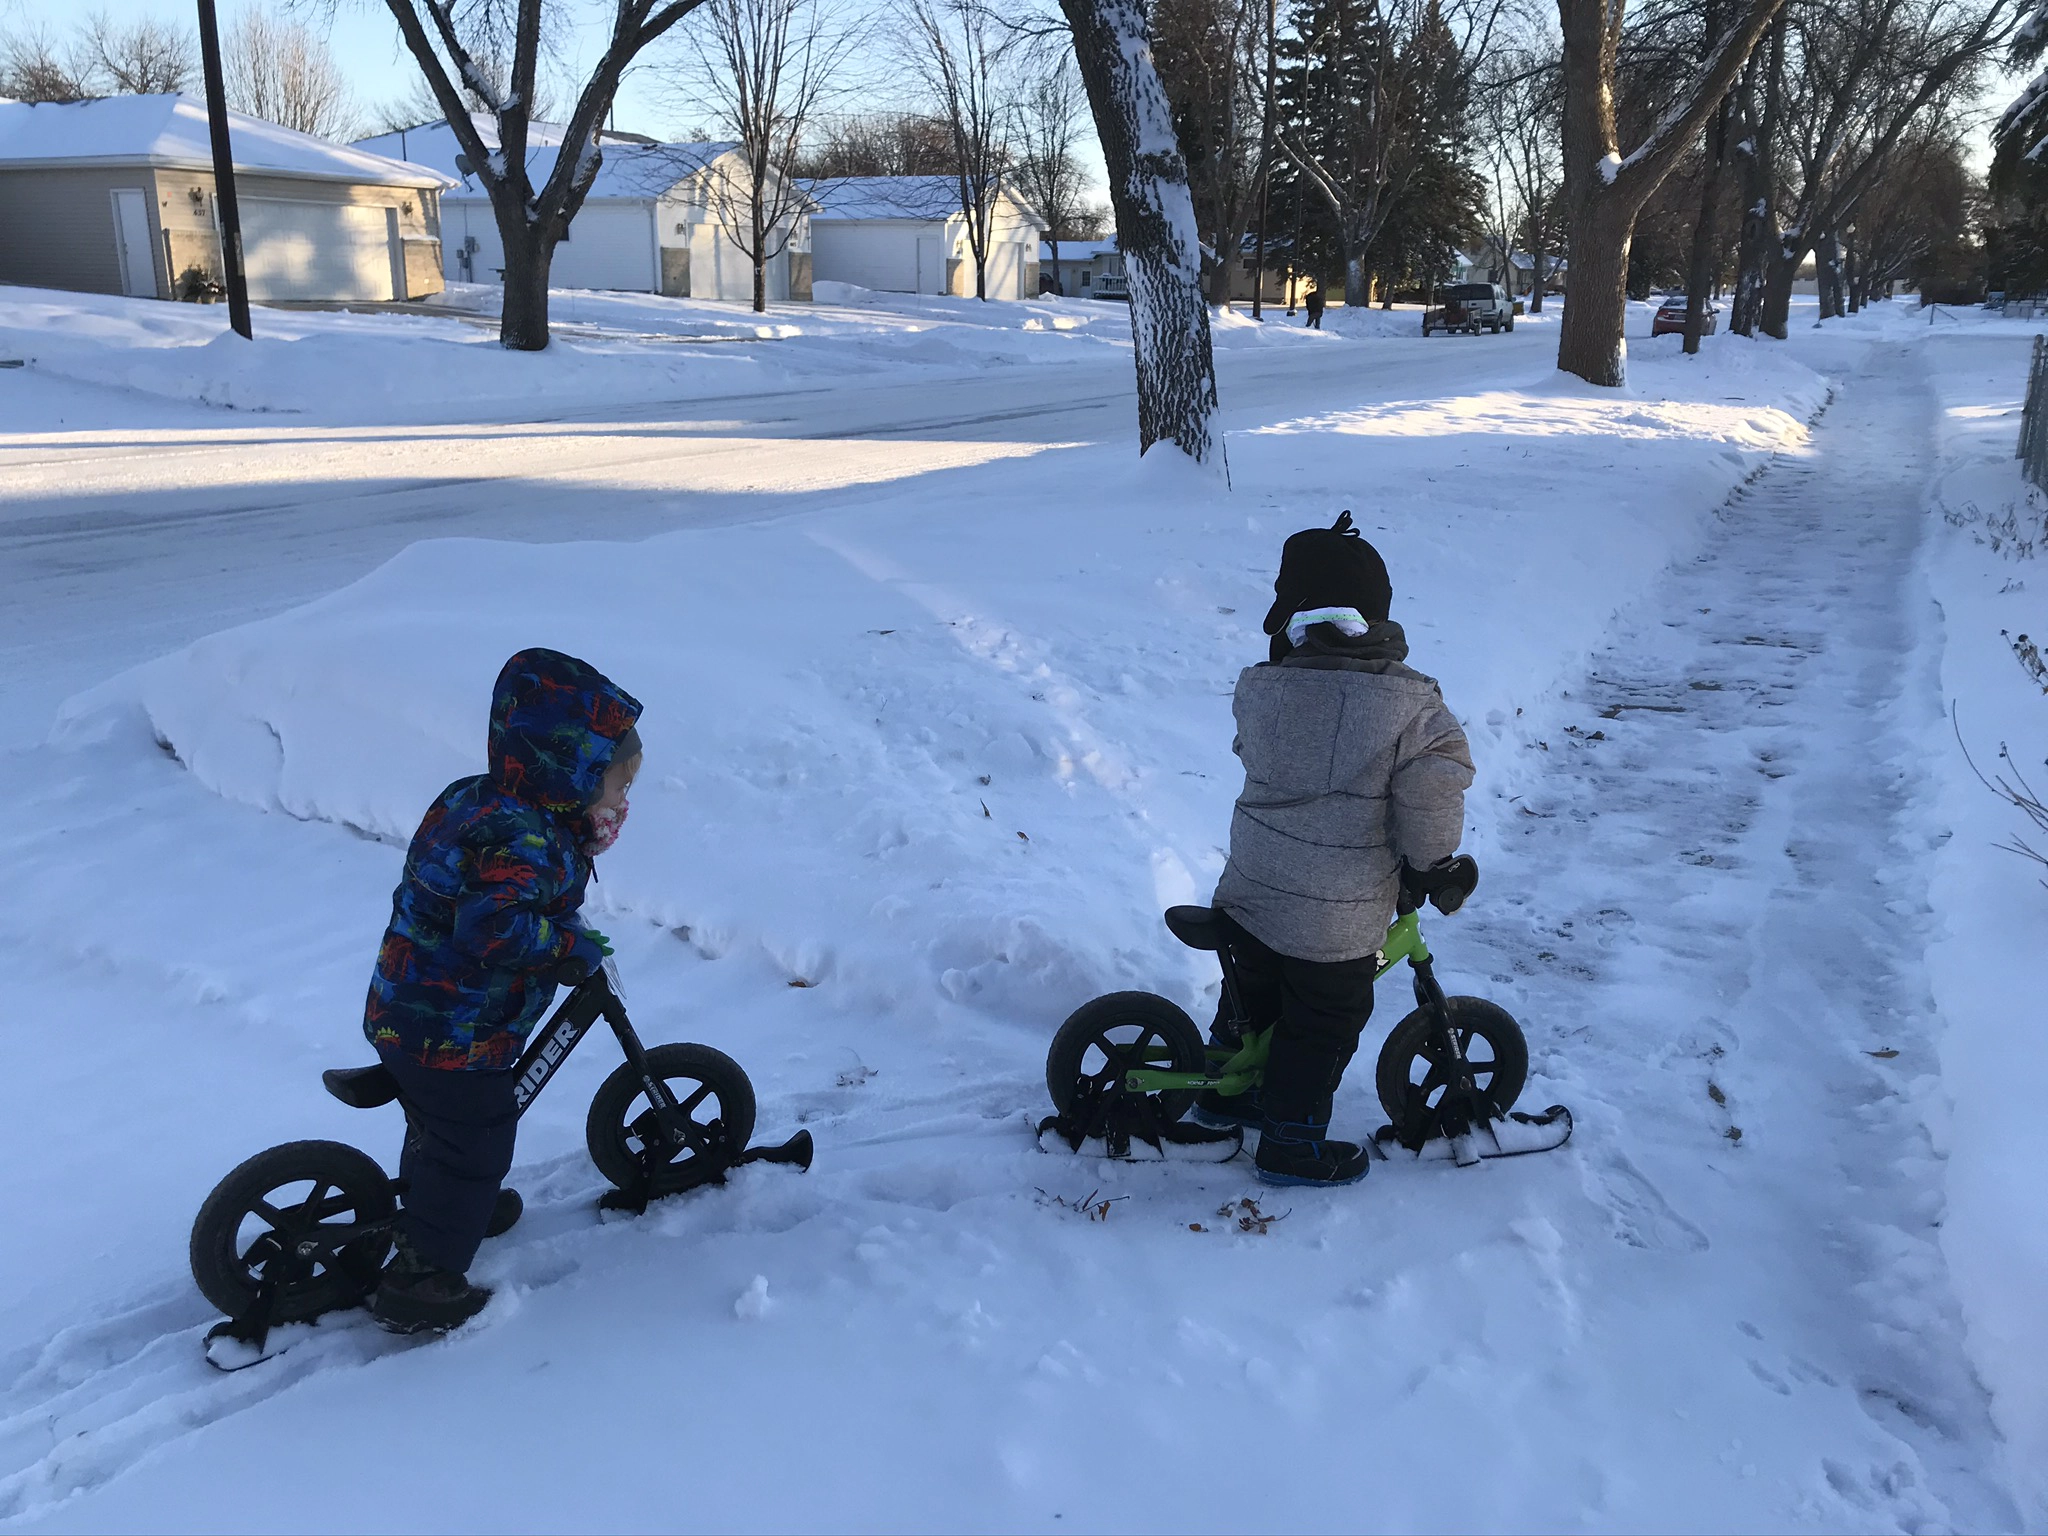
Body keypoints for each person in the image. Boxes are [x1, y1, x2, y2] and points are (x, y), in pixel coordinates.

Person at [363, 647, 643, 1332]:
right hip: (451, 1031)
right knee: (476, 1136)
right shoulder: (525, 839)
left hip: (406, 1006)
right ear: (571, 773)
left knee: (442, 1130)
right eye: (615, 787)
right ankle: (423, 1278)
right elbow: (492, 929)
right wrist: (566, 948)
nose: (621, 803)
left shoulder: (485, 801)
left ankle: (458, 1204)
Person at [1197, 513, 1474, 1186]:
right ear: (1376, 615)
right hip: (1336, 914)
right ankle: (1291, 1140)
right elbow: (1431, 799)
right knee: (1326, 1016)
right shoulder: (1412, 709)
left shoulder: (1262, 689)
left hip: (1251, 887)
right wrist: (1435, 867)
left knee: (1254, 994)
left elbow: (1252, 756)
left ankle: (1223, 1089)